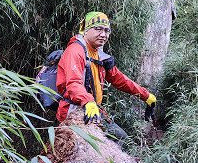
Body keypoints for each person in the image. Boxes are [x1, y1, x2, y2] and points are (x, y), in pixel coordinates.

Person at [55, 11, 156, 142]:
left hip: (92, 109)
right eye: (98, 29)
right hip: (73, 110)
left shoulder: (99, 54)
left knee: (122, 139)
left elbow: (120, 79)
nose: (103, 34)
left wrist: (146, 95)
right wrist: (88, 102)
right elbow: (73, 84)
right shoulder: (75, 51)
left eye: (107, 30)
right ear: (85, 30)